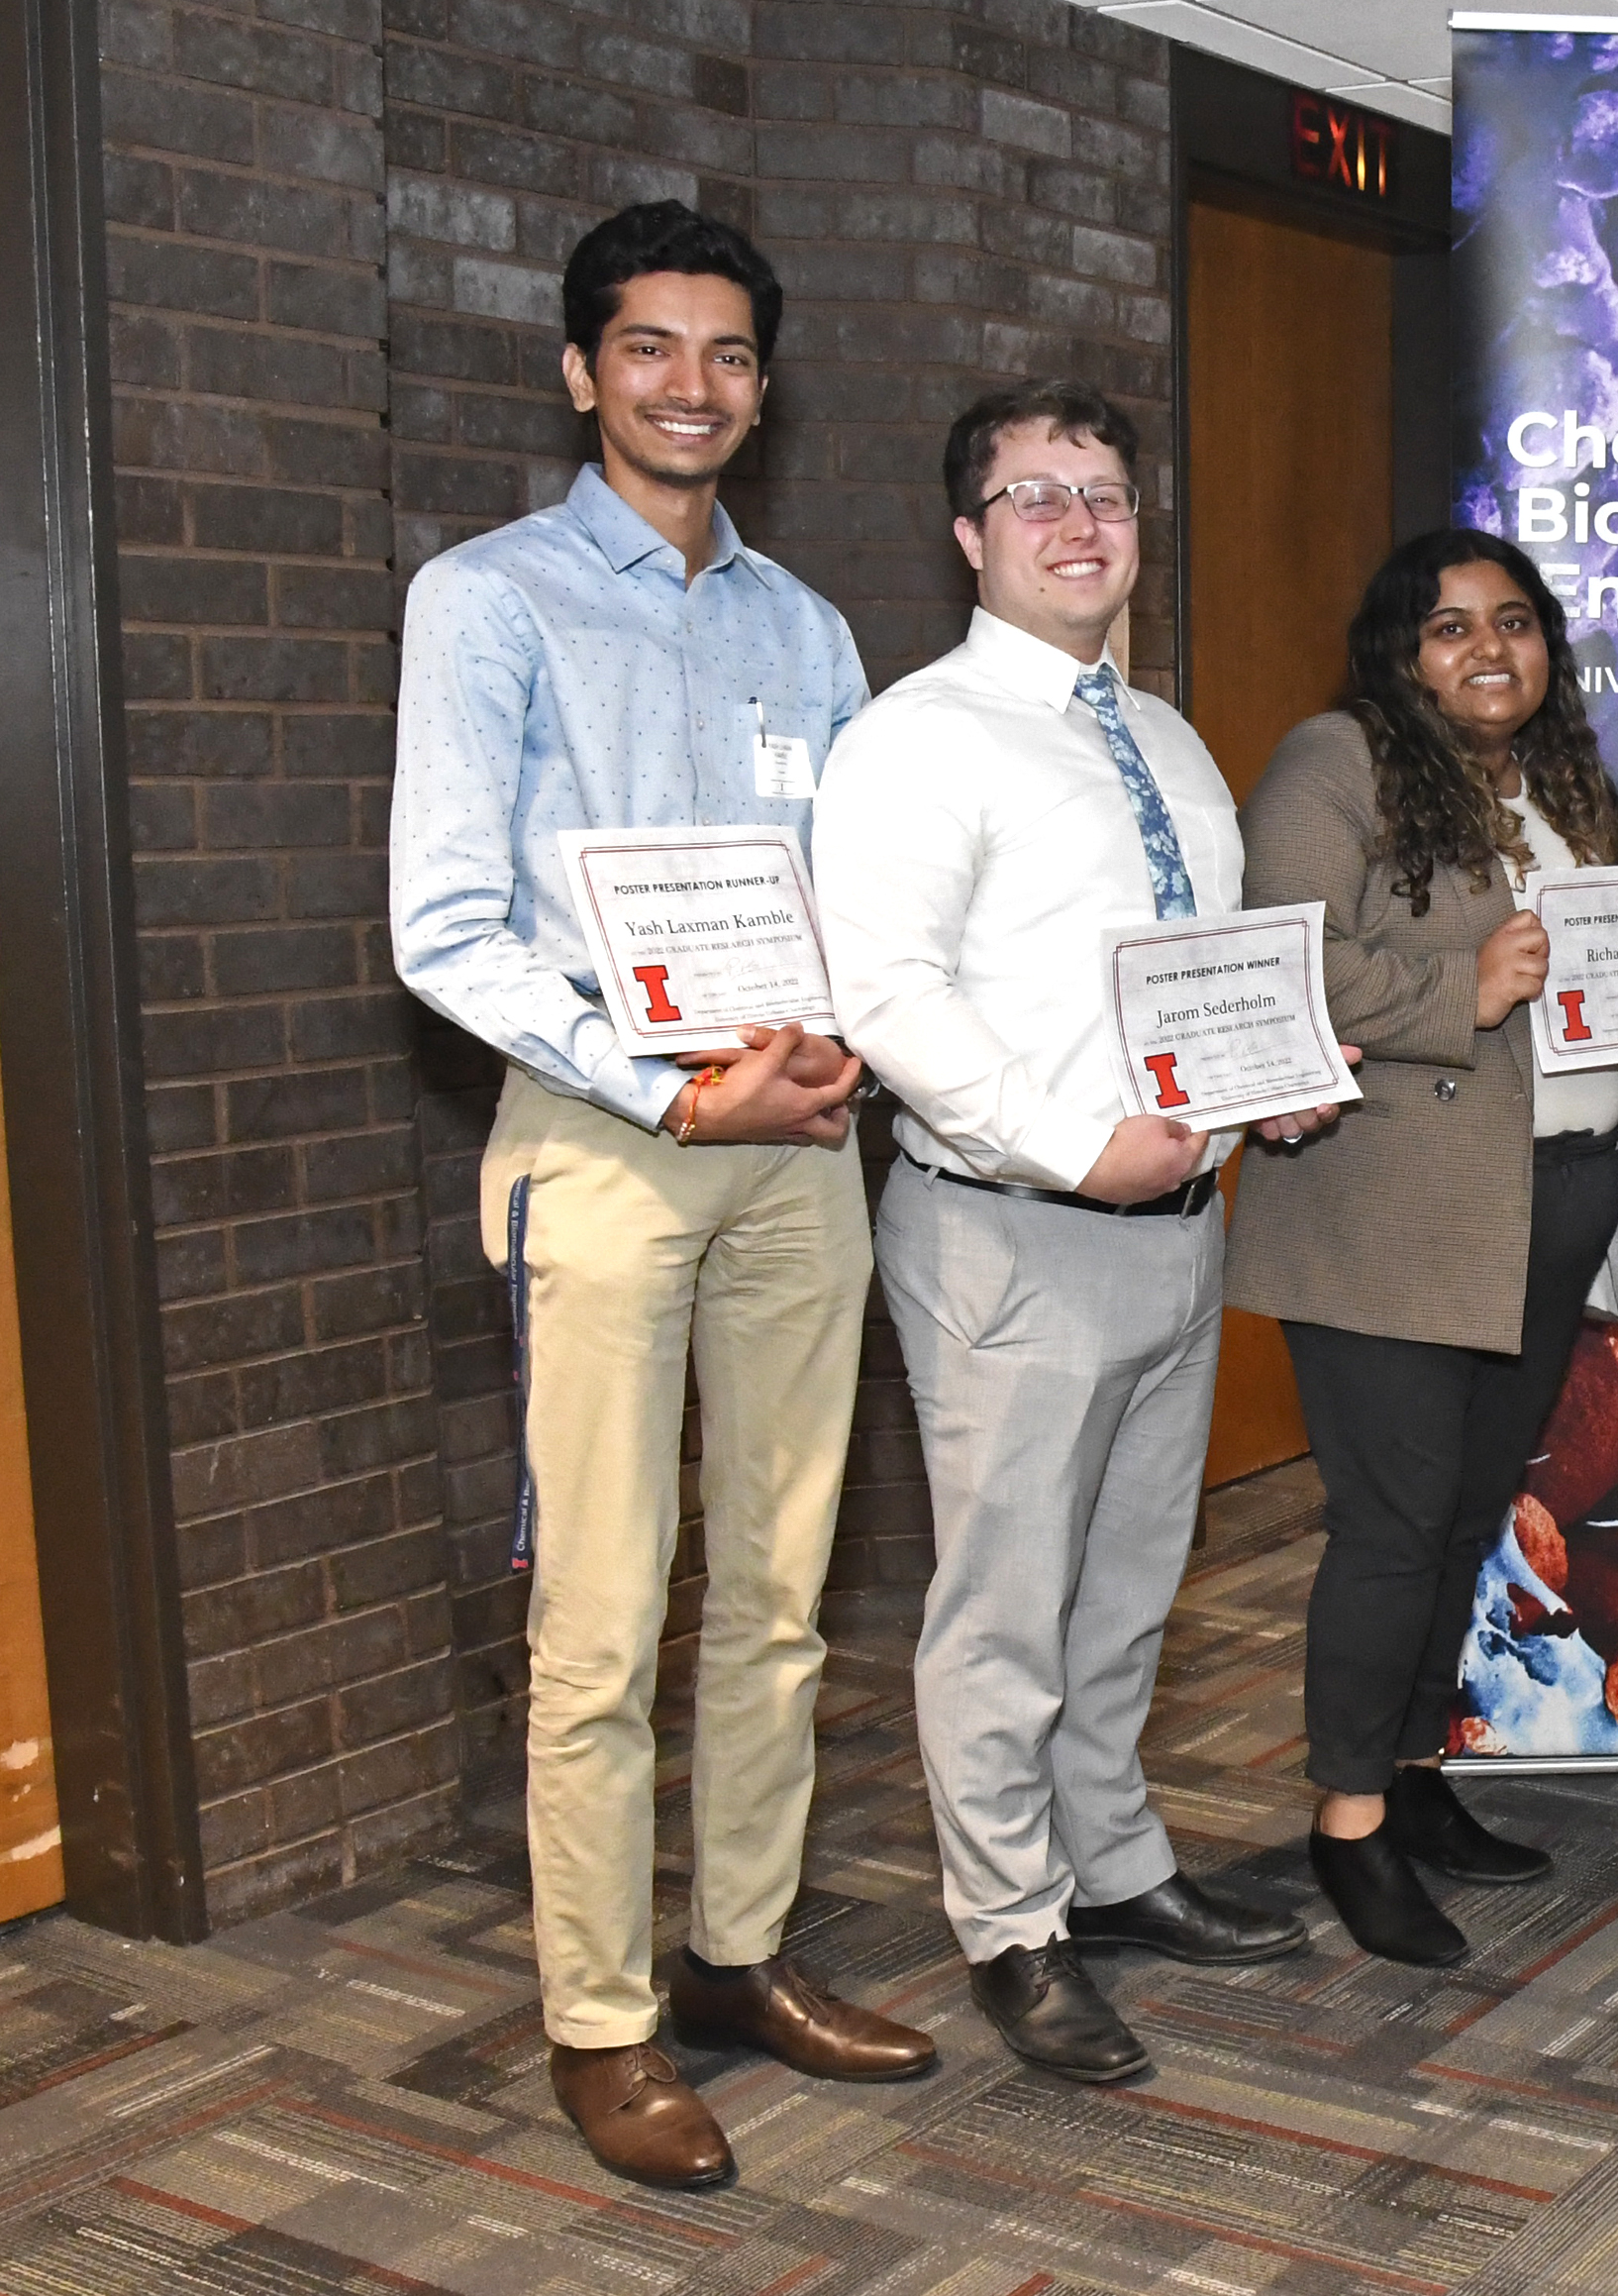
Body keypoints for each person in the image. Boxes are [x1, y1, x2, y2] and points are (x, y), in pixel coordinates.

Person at [389, 201, 932, 2190]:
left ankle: (736, 1955)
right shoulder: (491, 599)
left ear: (759, 391)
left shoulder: (808, 630)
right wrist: (666, 1083)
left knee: (781, 1596)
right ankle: (601, 2020)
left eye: (724, 357)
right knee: (605, 1625)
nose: (688, 386)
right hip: (609, 1148)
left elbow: (851, 899)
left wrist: (839, 1044)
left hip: (792, 1143)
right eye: (648, 349)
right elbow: (442, 926)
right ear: (579, 370)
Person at [813, 382, 1342, 2081]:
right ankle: (1012, 1924)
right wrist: (1065, 1145)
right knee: (1006, 1605)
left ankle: (1111, 1865)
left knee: (1126, 1586)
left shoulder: (1165, 738)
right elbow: (886, 993)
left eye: (1106, 492)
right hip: (1012, 1231)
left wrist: (1271, 1080)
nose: (1079, 522)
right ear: (970, 535)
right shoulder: (919, 736)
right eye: (1035, 495)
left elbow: (1198, 973)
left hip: (1175, 1225)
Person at [1223, 530, 1618, 1965]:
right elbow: (1282, 953)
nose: (1487, 651)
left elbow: (1615, 971)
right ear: (1401, 650)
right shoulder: (1336, 761)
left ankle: (1411, 1777)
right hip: (1389, 1213)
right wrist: (1465, 983)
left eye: (1512, 623)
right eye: (1449, 627)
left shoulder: (1563, 784)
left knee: (1465, 1520)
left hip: (1555, 1197)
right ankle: (1346, 1826)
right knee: (1392, 1529)